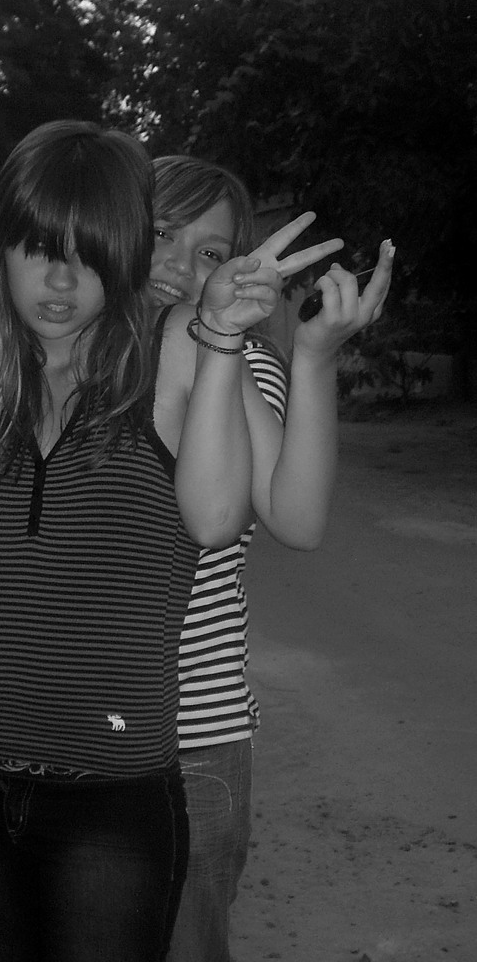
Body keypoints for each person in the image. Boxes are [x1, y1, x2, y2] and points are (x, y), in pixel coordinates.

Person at [0, 121, 276, 962]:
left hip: (114, 774)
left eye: (90, 256)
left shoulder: (177, 348)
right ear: (0, 249)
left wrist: (245, 343)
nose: (62, 281)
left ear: (124, 254)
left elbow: (228, 518)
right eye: (38, 250)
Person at [147, 154, 394, 962]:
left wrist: (313, 356)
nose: (177, 265)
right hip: (65, 726)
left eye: (210, 252)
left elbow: (296, 518)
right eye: (158, 235)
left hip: (192, 731)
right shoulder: (72, 354)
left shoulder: (240, 362)